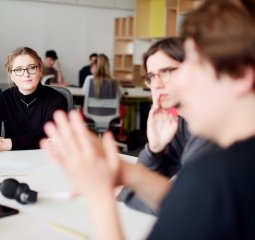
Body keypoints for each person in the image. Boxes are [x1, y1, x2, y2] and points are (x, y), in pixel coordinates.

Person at [41, 1, 255, 239]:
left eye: (193, 68)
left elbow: (197, 198)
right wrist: (126, 172)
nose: (174, 84)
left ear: (241, 75)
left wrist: (99, 196)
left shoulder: (216, 174)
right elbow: (188, 203)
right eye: (152, 76)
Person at [118, 38, 218, 215]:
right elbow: (149, 183)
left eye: (166, 72)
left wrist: (120, 192)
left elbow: (186, 205)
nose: (156, 84)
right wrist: (154, 150)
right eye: (151, 76)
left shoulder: (215, 129)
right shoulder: (181, 123)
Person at [0, 47, 68, 153]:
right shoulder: (2, 99)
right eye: (19, 69)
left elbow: (48, 137)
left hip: (47, 161)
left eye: (32, 68)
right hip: (12, 161)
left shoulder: (57, 99)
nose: (26, 74)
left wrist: (3, 144)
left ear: (40, 70)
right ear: (11, 75)